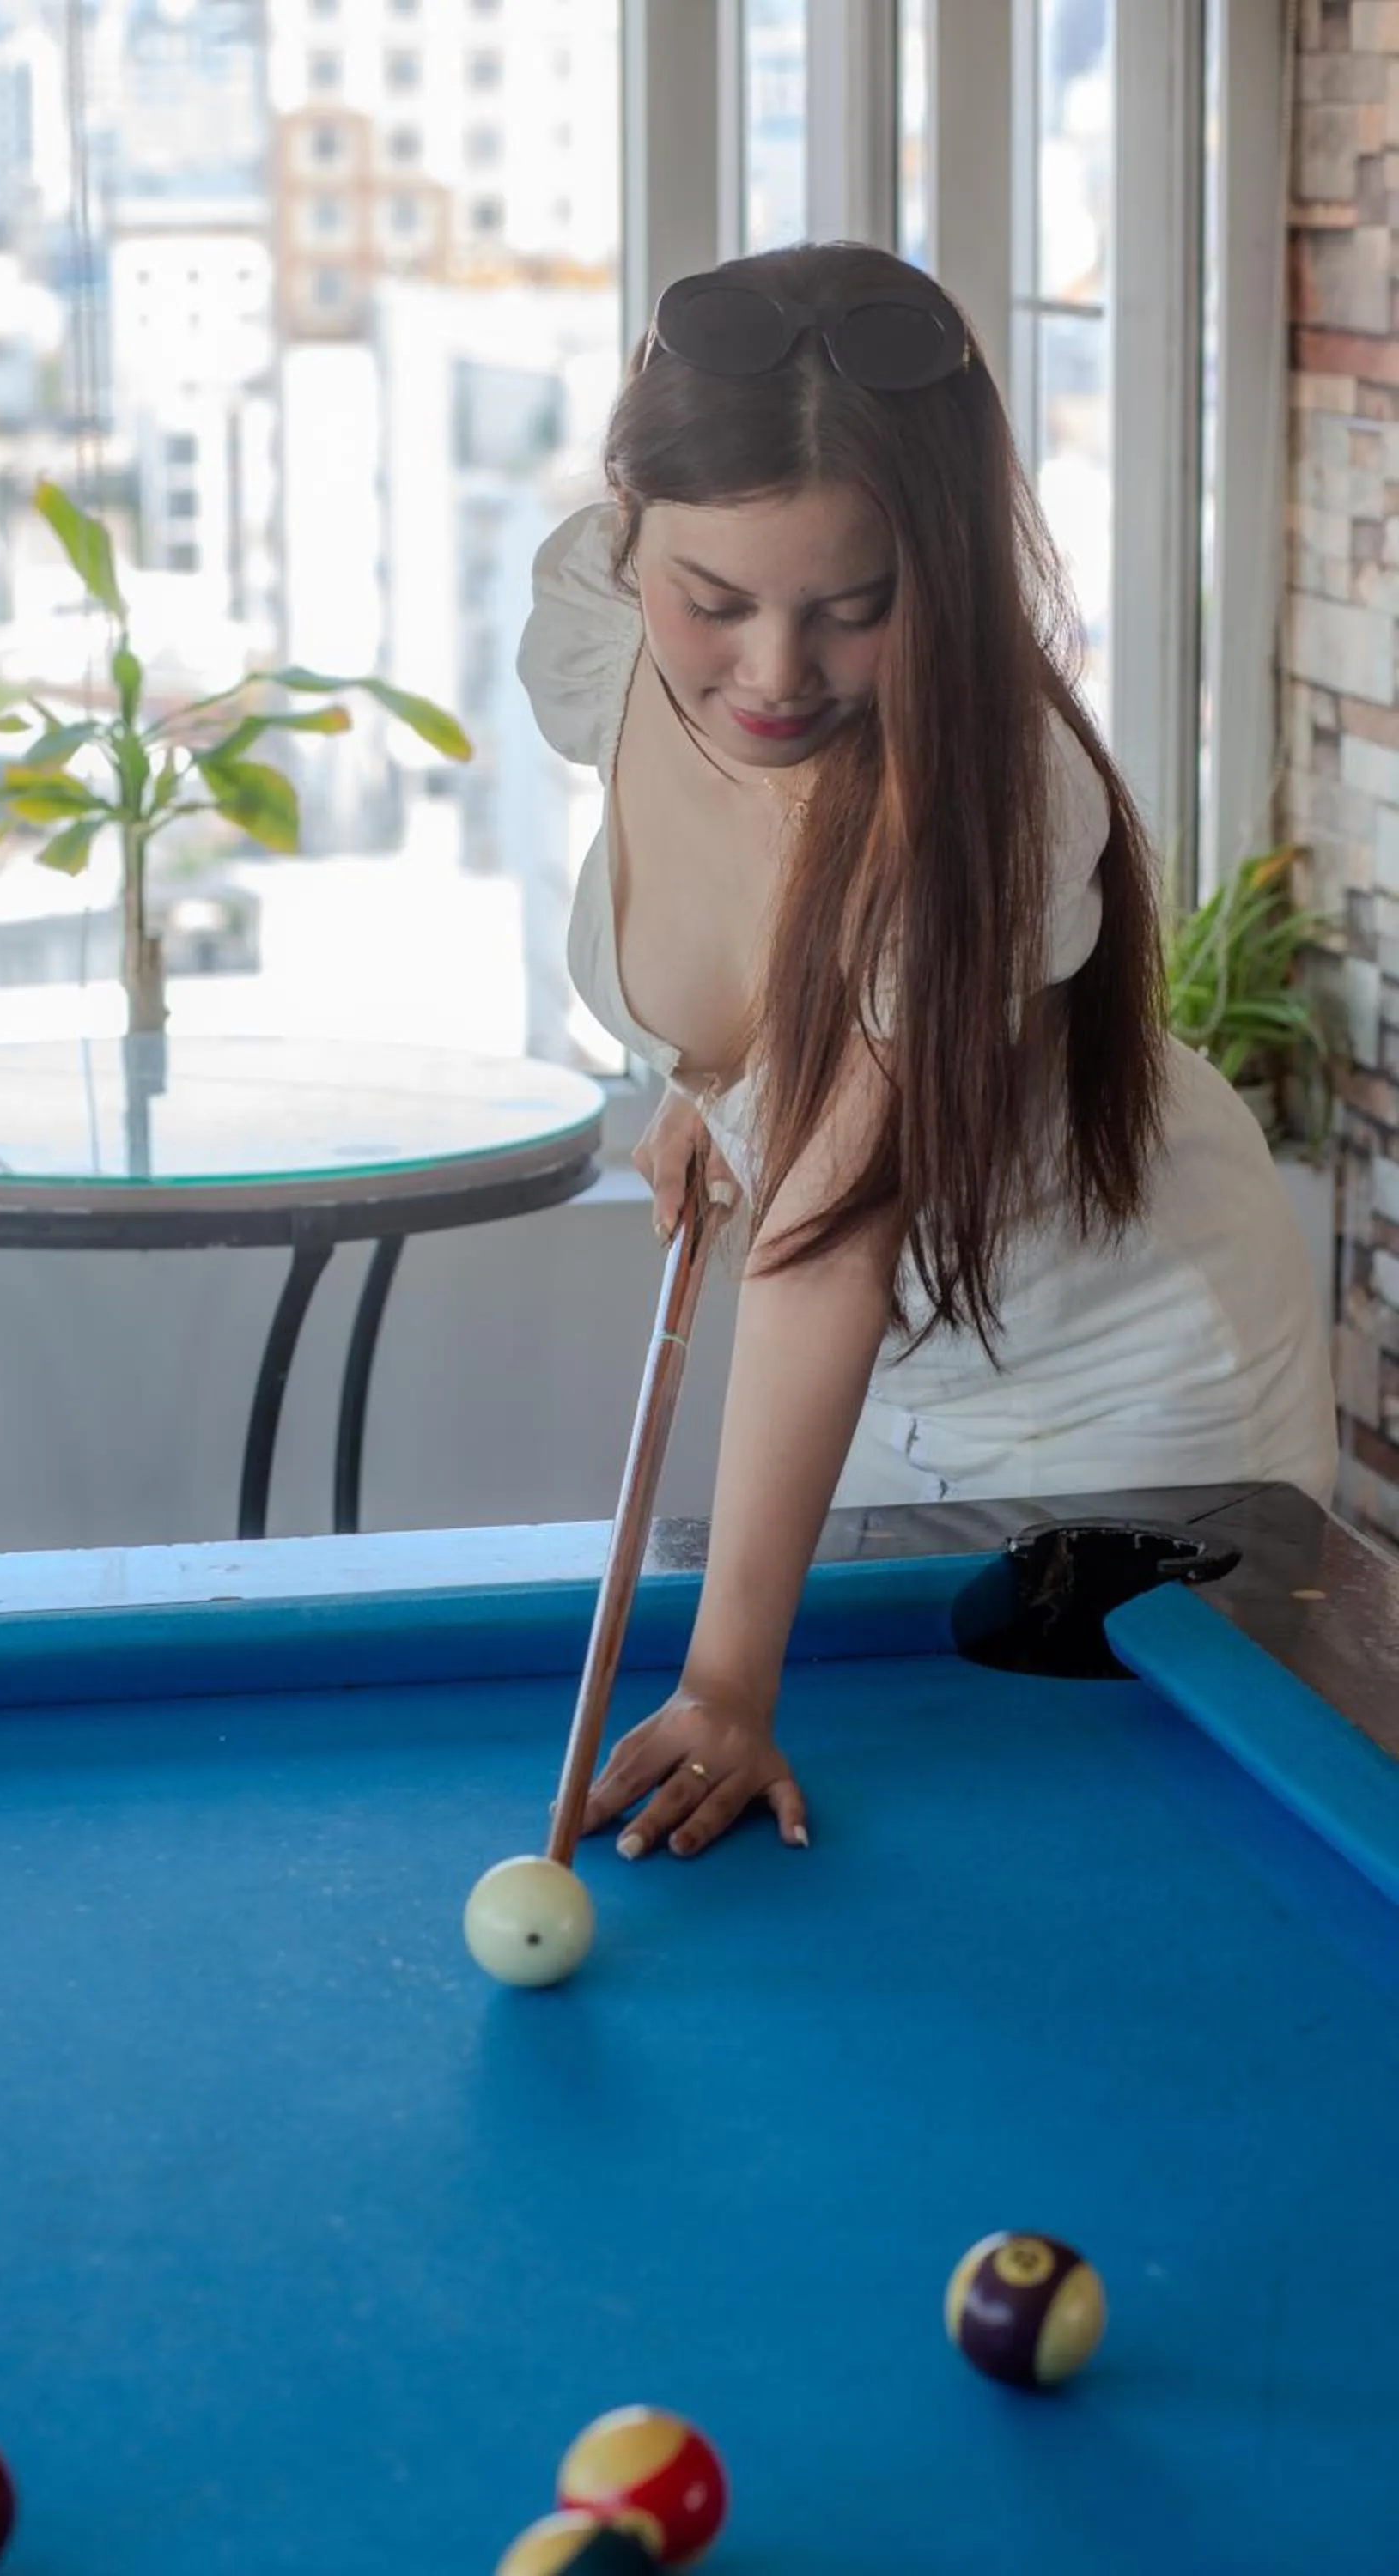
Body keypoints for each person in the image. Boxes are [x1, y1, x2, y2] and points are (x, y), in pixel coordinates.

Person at [515, 241, 1337, 1866]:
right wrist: (712, 1094)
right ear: (629, 531)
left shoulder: (994, 797)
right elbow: (735, 943)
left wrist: (728, 1688)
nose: (769, 672)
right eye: (714, 599)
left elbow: (826, 1248)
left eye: (852, 609)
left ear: (941, 575)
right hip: (905, 1363)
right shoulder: (599, 629)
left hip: (1129, 1384)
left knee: (1116, 1883)